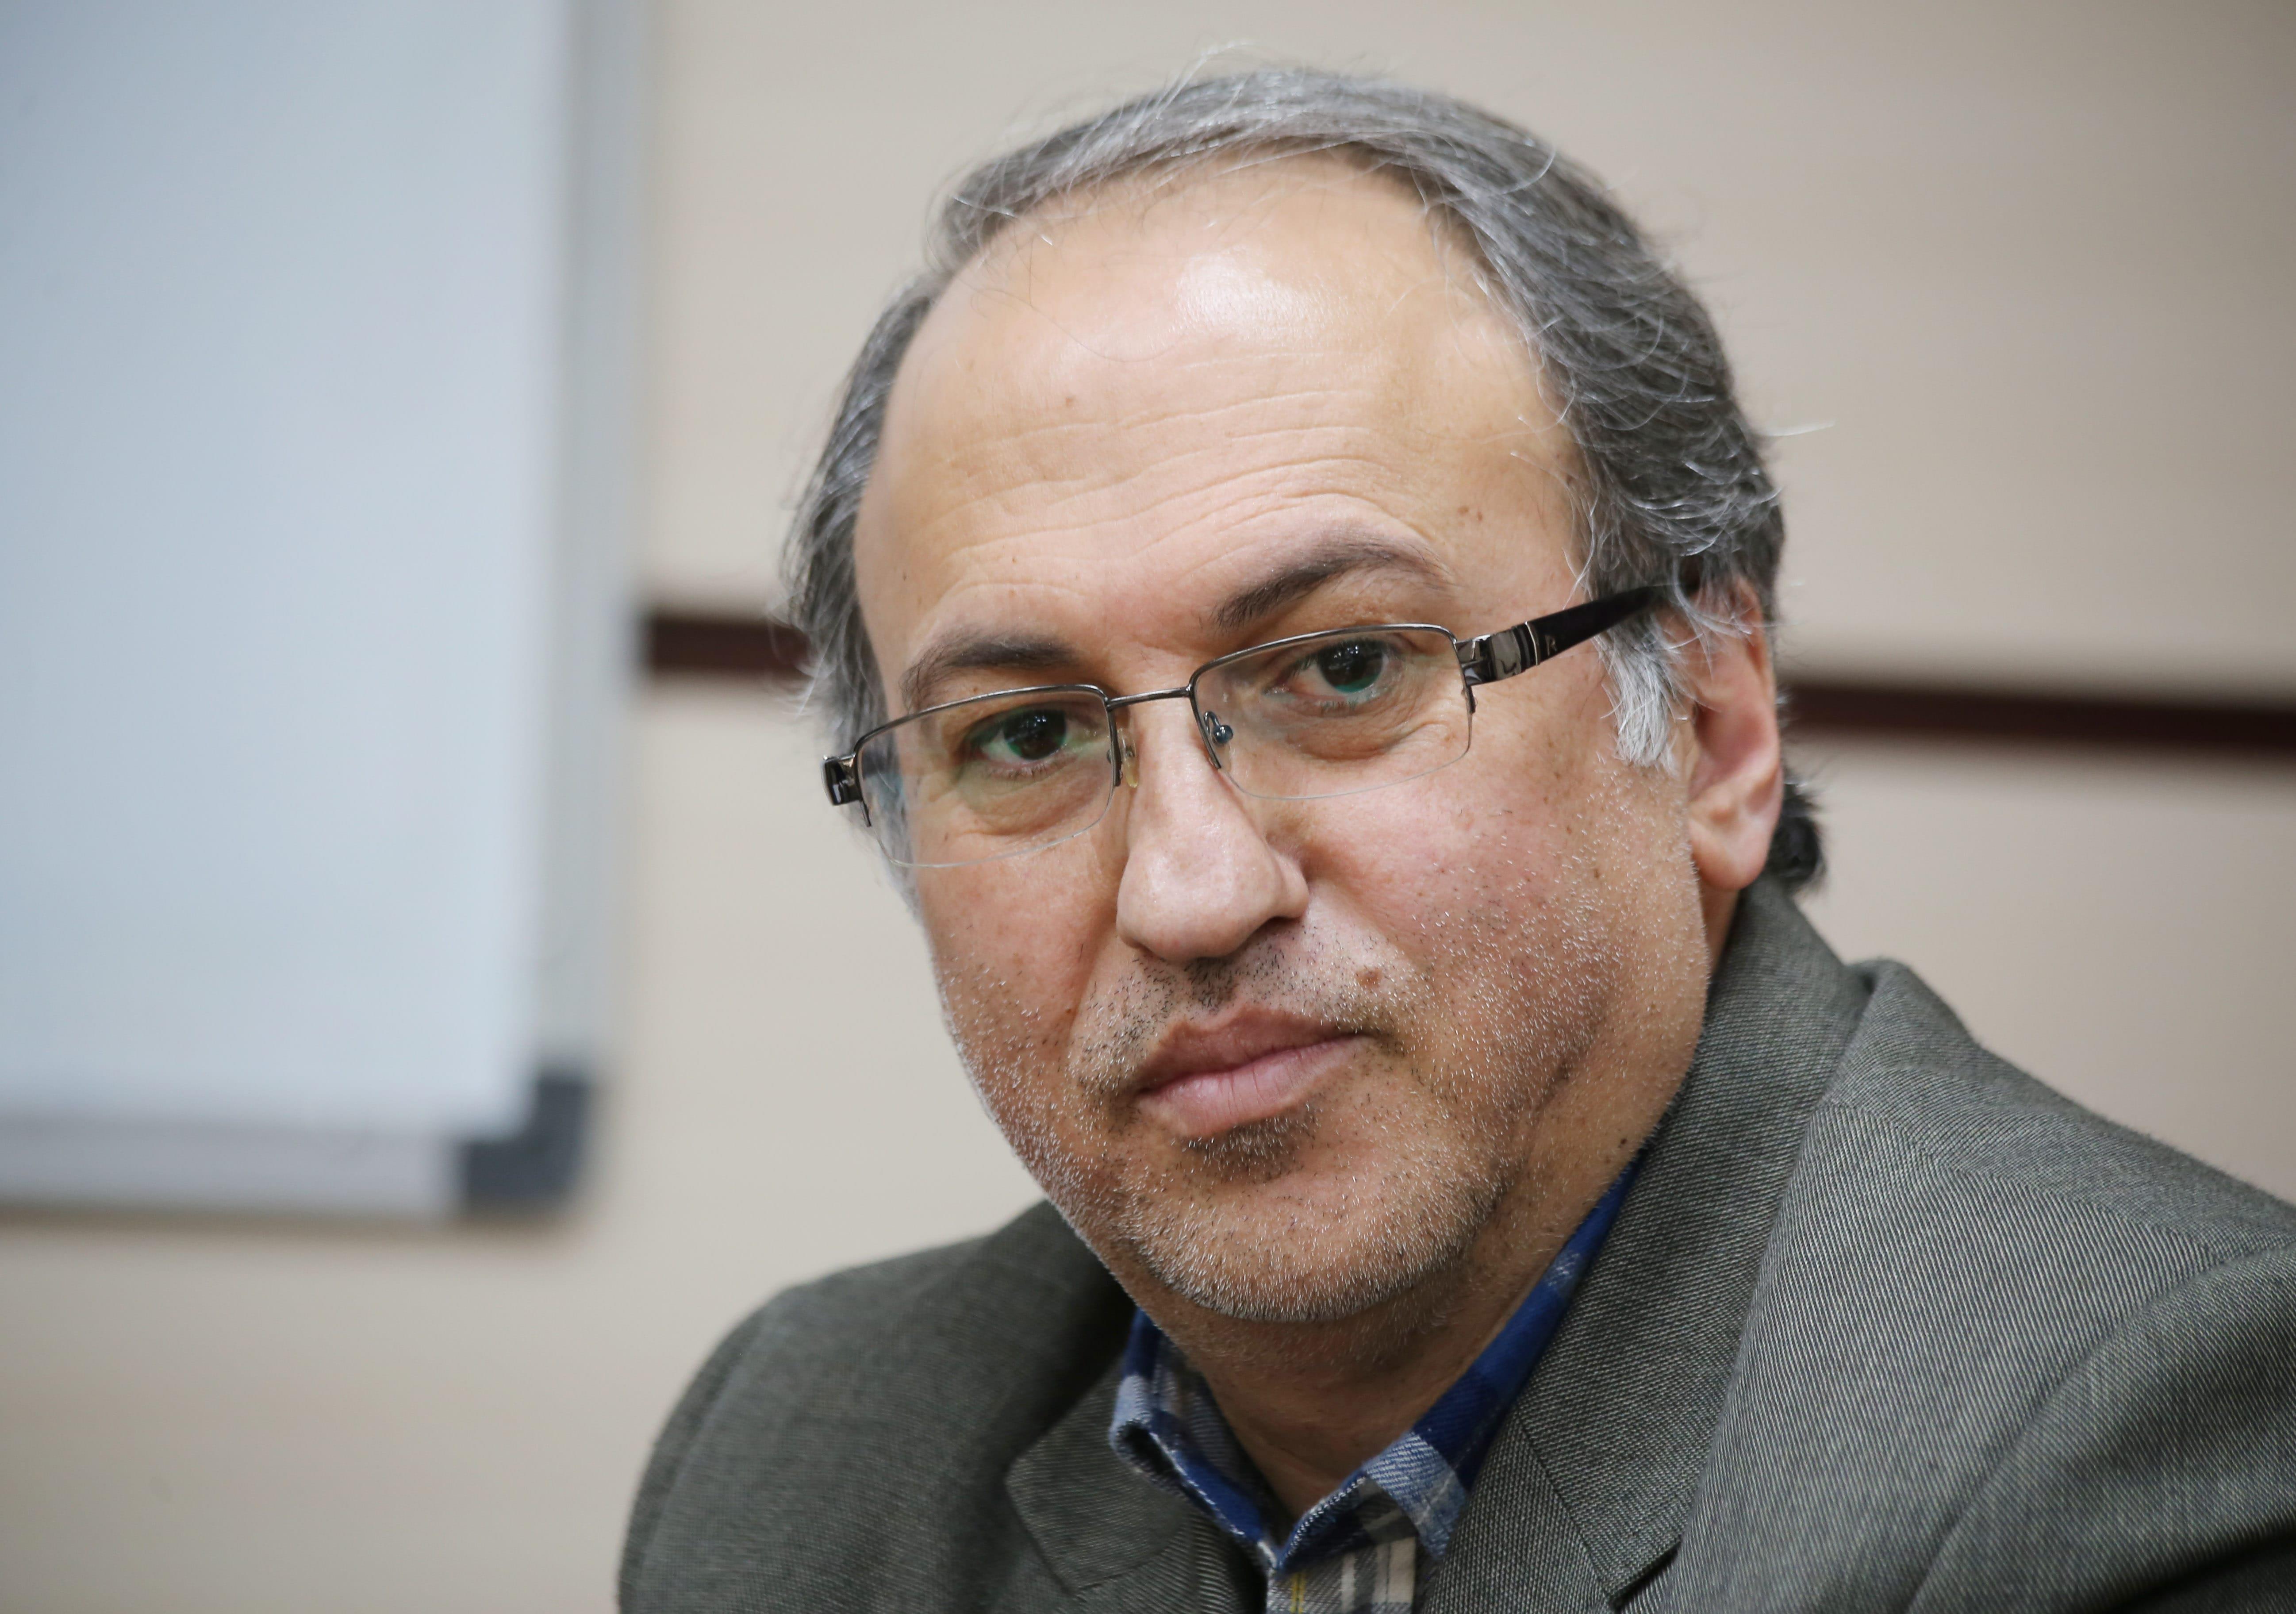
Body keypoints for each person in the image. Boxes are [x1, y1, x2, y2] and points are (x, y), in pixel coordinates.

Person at [621, 70, 2296, 1612]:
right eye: (1030, 737)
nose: (1191, 892)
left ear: (1714, 728)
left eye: (1348, 669)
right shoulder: (801, 1459)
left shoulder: (2142, 1438)